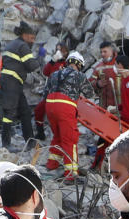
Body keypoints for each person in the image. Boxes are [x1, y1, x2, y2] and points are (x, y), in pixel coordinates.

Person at [44, 51, 87, 181]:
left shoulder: (55, 73)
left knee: (57, 135)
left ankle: (52, 164)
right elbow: (89, 93)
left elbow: (47, 88)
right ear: (79, 65)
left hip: (50, 105)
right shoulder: (79, 76)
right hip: (65, 106)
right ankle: (71, 173)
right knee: (70, 139)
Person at [0, 21, 42, 149]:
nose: (33, 41)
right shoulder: (22, 46)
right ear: (24, 35)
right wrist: (41, 58)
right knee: (9, 113)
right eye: (31, 38)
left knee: (25, 111)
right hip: (11, 82)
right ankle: (6, 144)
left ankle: (30, 141)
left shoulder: (13, 44)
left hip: (12, 82)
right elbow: (32, 65)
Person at [89, 41, 121, 169]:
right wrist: (97, 84)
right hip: (104, 109)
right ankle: (98, 165)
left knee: (117, 138)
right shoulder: (98, 67)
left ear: (112, 51)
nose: (102, 54)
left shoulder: (120, 64)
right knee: (103, 139)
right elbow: (90, 81)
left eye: (105, 51)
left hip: (119, 109)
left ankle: (116, 166)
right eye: (101, 52)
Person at [34, 42, 69, 140]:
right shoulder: (54, 62)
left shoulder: (66, 63)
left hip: (60, 95)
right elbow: (45, 72)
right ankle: (40, 133)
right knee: (38, 110)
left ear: (65, 52)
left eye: (60, 50)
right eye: (57, 50)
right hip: (49, 93)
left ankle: (60, 136)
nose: (58, 52)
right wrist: (52, 61)